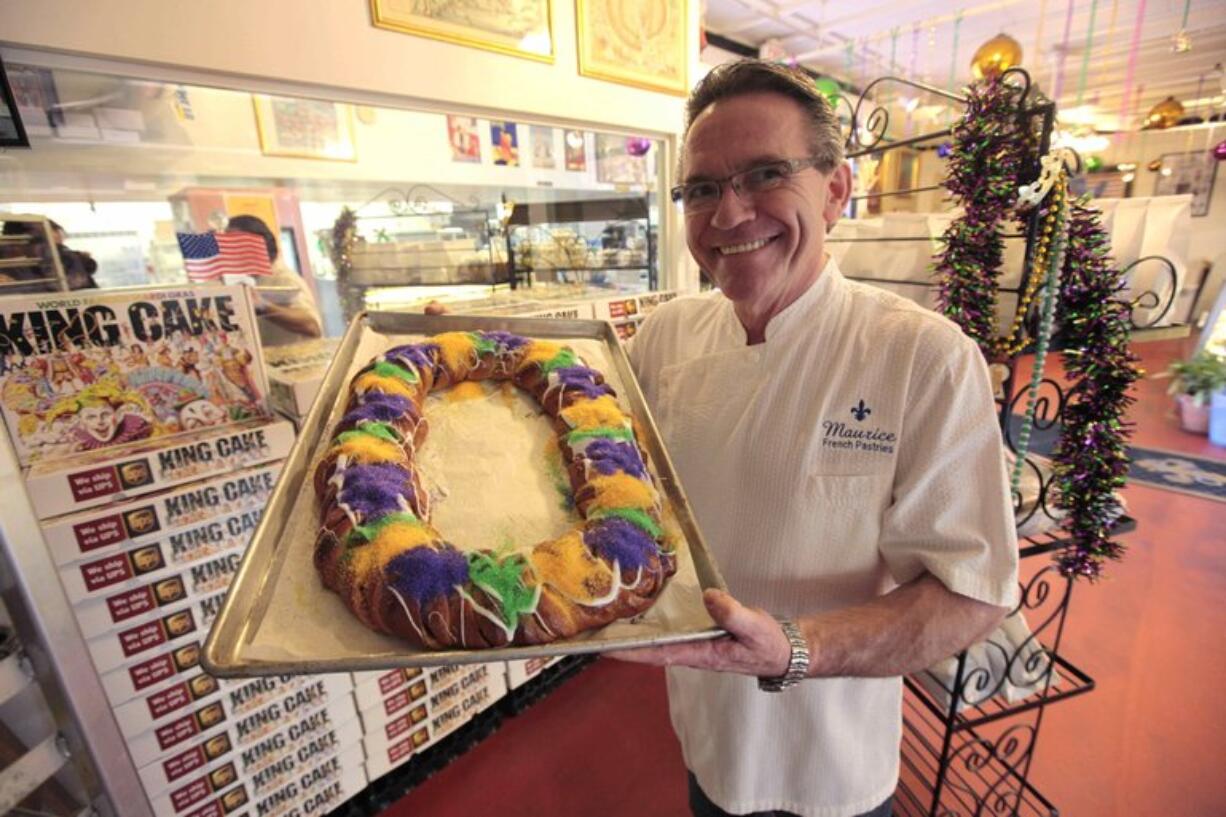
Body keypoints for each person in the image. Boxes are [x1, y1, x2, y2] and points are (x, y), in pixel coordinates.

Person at [608, 60, 1019, 817]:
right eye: (701, 188)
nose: (727, 215)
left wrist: (796, 648)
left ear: (835, 191)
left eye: (765, 174)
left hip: (833, 766)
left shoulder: (921, 356)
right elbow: (618, 493)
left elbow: (972, 591)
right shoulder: (665, 335)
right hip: (705, 728)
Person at [225, 214, 323, 346]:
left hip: (296, 363)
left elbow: (312, 326)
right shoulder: (252, 280)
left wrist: (263, 307)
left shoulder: (284, 279)